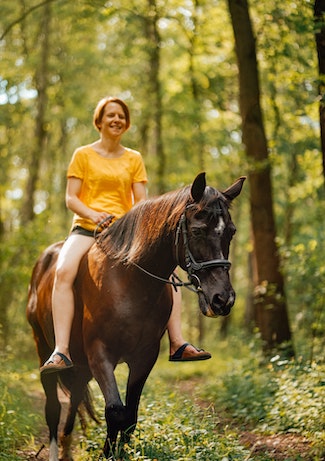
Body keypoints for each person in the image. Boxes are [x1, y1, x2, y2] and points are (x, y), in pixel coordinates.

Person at [40, 96, 211, 374]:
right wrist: (94, 215)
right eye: (110, 115)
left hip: (125, 233)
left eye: (121, 115)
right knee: (63, 271)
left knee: (171, 276)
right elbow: (71, 198)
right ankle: (61, 351)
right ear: (99, 121)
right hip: (87, 228)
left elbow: (141, 203)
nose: (116, 119)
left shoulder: (134, 158)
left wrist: (132, 226)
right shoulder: (82, 155)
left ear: (126, 123)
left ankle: (178, 343)